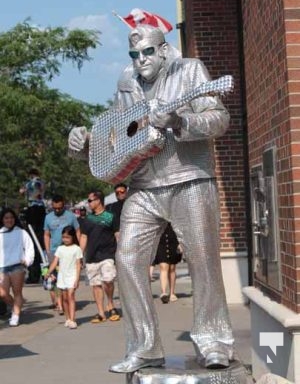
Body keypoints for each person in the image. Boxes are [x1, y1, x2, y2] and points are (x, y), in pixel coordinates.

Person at [68, 25, 234, 373]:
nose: (140, 60)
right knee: (127, 261)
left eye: (147, 52)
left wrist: (179, 120)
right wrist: (87, 149)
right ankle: (144, 348)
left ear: (162, 50)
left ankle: (213, 341)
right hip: (144, 185)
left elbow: (219, 119)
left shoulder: (189, 70)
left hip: (188, 178)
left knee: (203, 261)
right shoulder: (126, 83)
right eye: (134, 54)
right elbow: (122, 145)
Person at [80, 190, 120, 323]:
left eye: (90, 200)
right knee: (96, 284)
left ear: (98, 201)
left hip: (108, 255)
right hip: (91, 257)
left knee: (108, 280)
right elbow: (84, 236)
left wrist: (121, 250)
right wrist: (80, 254)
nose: (88, 203)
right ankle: (101, 312)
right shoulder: (87, 219)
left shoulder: (110, 216)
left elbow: (117, 234)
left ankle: (110, 304)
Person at [44, 194, 80, 313]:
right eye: (55, 208)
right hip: (55, 252)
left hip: (69, 252)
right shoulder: (48, 217)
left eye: (60, 208)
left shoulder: (71, 216)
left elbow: (77, 232)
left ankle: (68, 300)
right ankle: (59, 303)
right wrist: (48, 251)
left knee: (68, 276)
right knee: (55, 278)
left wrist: (79, 249)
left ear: (63, 204)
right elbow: (46, 234)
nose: (57, 210)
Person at [0, 208, 35, 326]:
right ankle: (16, 306)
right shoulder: (0, 233)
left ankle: (15, 315)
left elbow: (30, 247)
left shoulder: (21, 232)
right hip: (2, 267)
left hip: (17, 266)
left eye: (11, 217)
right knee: (2, 293)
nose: (9, 220)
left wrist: (27, 261)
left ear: (14, 219)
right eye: (6, 218)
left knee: (17, 292)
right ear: (2, 220)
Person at [45, 225, 82, 329]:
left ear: (73, 237)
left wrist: (77, 279)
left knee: (71, 296)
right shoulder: (60, 249)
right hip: (62, 276)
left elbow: (78, 265)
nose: (65, 239)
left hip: (72, 276)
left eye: (67, 237)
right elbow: (55, 262)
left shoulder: (76, 249)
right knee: (64, 298)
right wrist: (48, 272)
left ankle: (73, 319)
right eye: (63, 237)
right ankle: (68, 318)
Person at [19, 168, 46, 283]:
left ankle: (35, 274)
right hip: (40, 210)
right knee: (40, 244)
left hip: (34, 210)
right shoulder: (41, 183)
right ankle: (43, 273)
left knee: (33, 242)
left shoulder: (32, 183)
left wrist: (24, 189)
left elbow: (22, 191)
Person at [151, 222, 182, 304]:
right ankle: (164, 292)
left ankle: (172, 293)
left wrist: (181, 243)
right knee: (163, 266)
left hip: (173, 240)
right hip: (160, 241)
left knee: (172, 268)